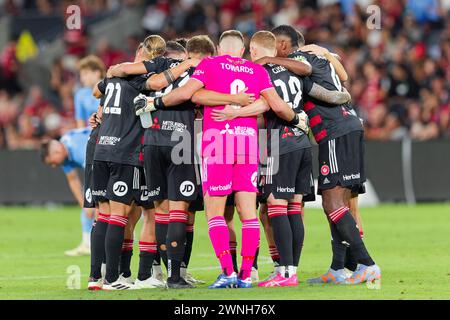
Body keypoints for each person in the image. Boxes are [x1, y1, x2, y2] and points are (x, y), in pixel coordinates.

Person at [136, 30, 309, 288]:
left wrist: (155, 103)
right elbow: (272, 104)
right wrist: (295, 119)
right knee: (248, 213)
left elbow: (189, 95)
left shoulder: (209, 64)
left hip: (218, 144)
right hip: (249, 144)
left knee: (216, 214)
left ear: (218, 48)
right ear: (242, 50)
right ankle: (247, 274)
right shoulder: (256, 70)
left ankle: (228, 271)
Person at [211, 30, 351, 287]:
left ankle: (284, 273)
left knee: (274, 206)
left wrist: (235, 112)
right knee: (294, 209)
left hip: (280, 143)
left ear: (253, 51)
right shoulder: (294, 71)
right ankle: (291, 270)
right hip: (302, 143)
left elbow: (269, 105)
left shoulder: (258, 72)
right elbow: (326, 90)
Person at [265, 24, 380, 285]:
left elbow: (311, 82)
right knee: (339, 202)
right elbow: (343, 75)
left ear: (283, 45)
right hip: (348, 126)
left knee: (333, 203)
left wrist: (270, 59)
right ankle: (339, 267)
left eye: (274, 47)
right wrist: (330, 59)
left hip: (334, 131)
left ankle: (367, 264)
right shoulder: (320, 55)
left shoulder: (295, 60)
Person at [41, 128, 93, 256]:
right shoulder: (63, 151)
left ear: (56, 151)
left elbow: (94, 172)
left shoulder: (78, 147)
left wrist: (91, 202)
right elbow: (73, 180)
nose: (54, 166)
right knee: (87, 207)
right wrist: (84, 204)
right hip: (96, 168)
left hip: (110, 158)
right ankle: (87, 243)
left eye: (52, 162)